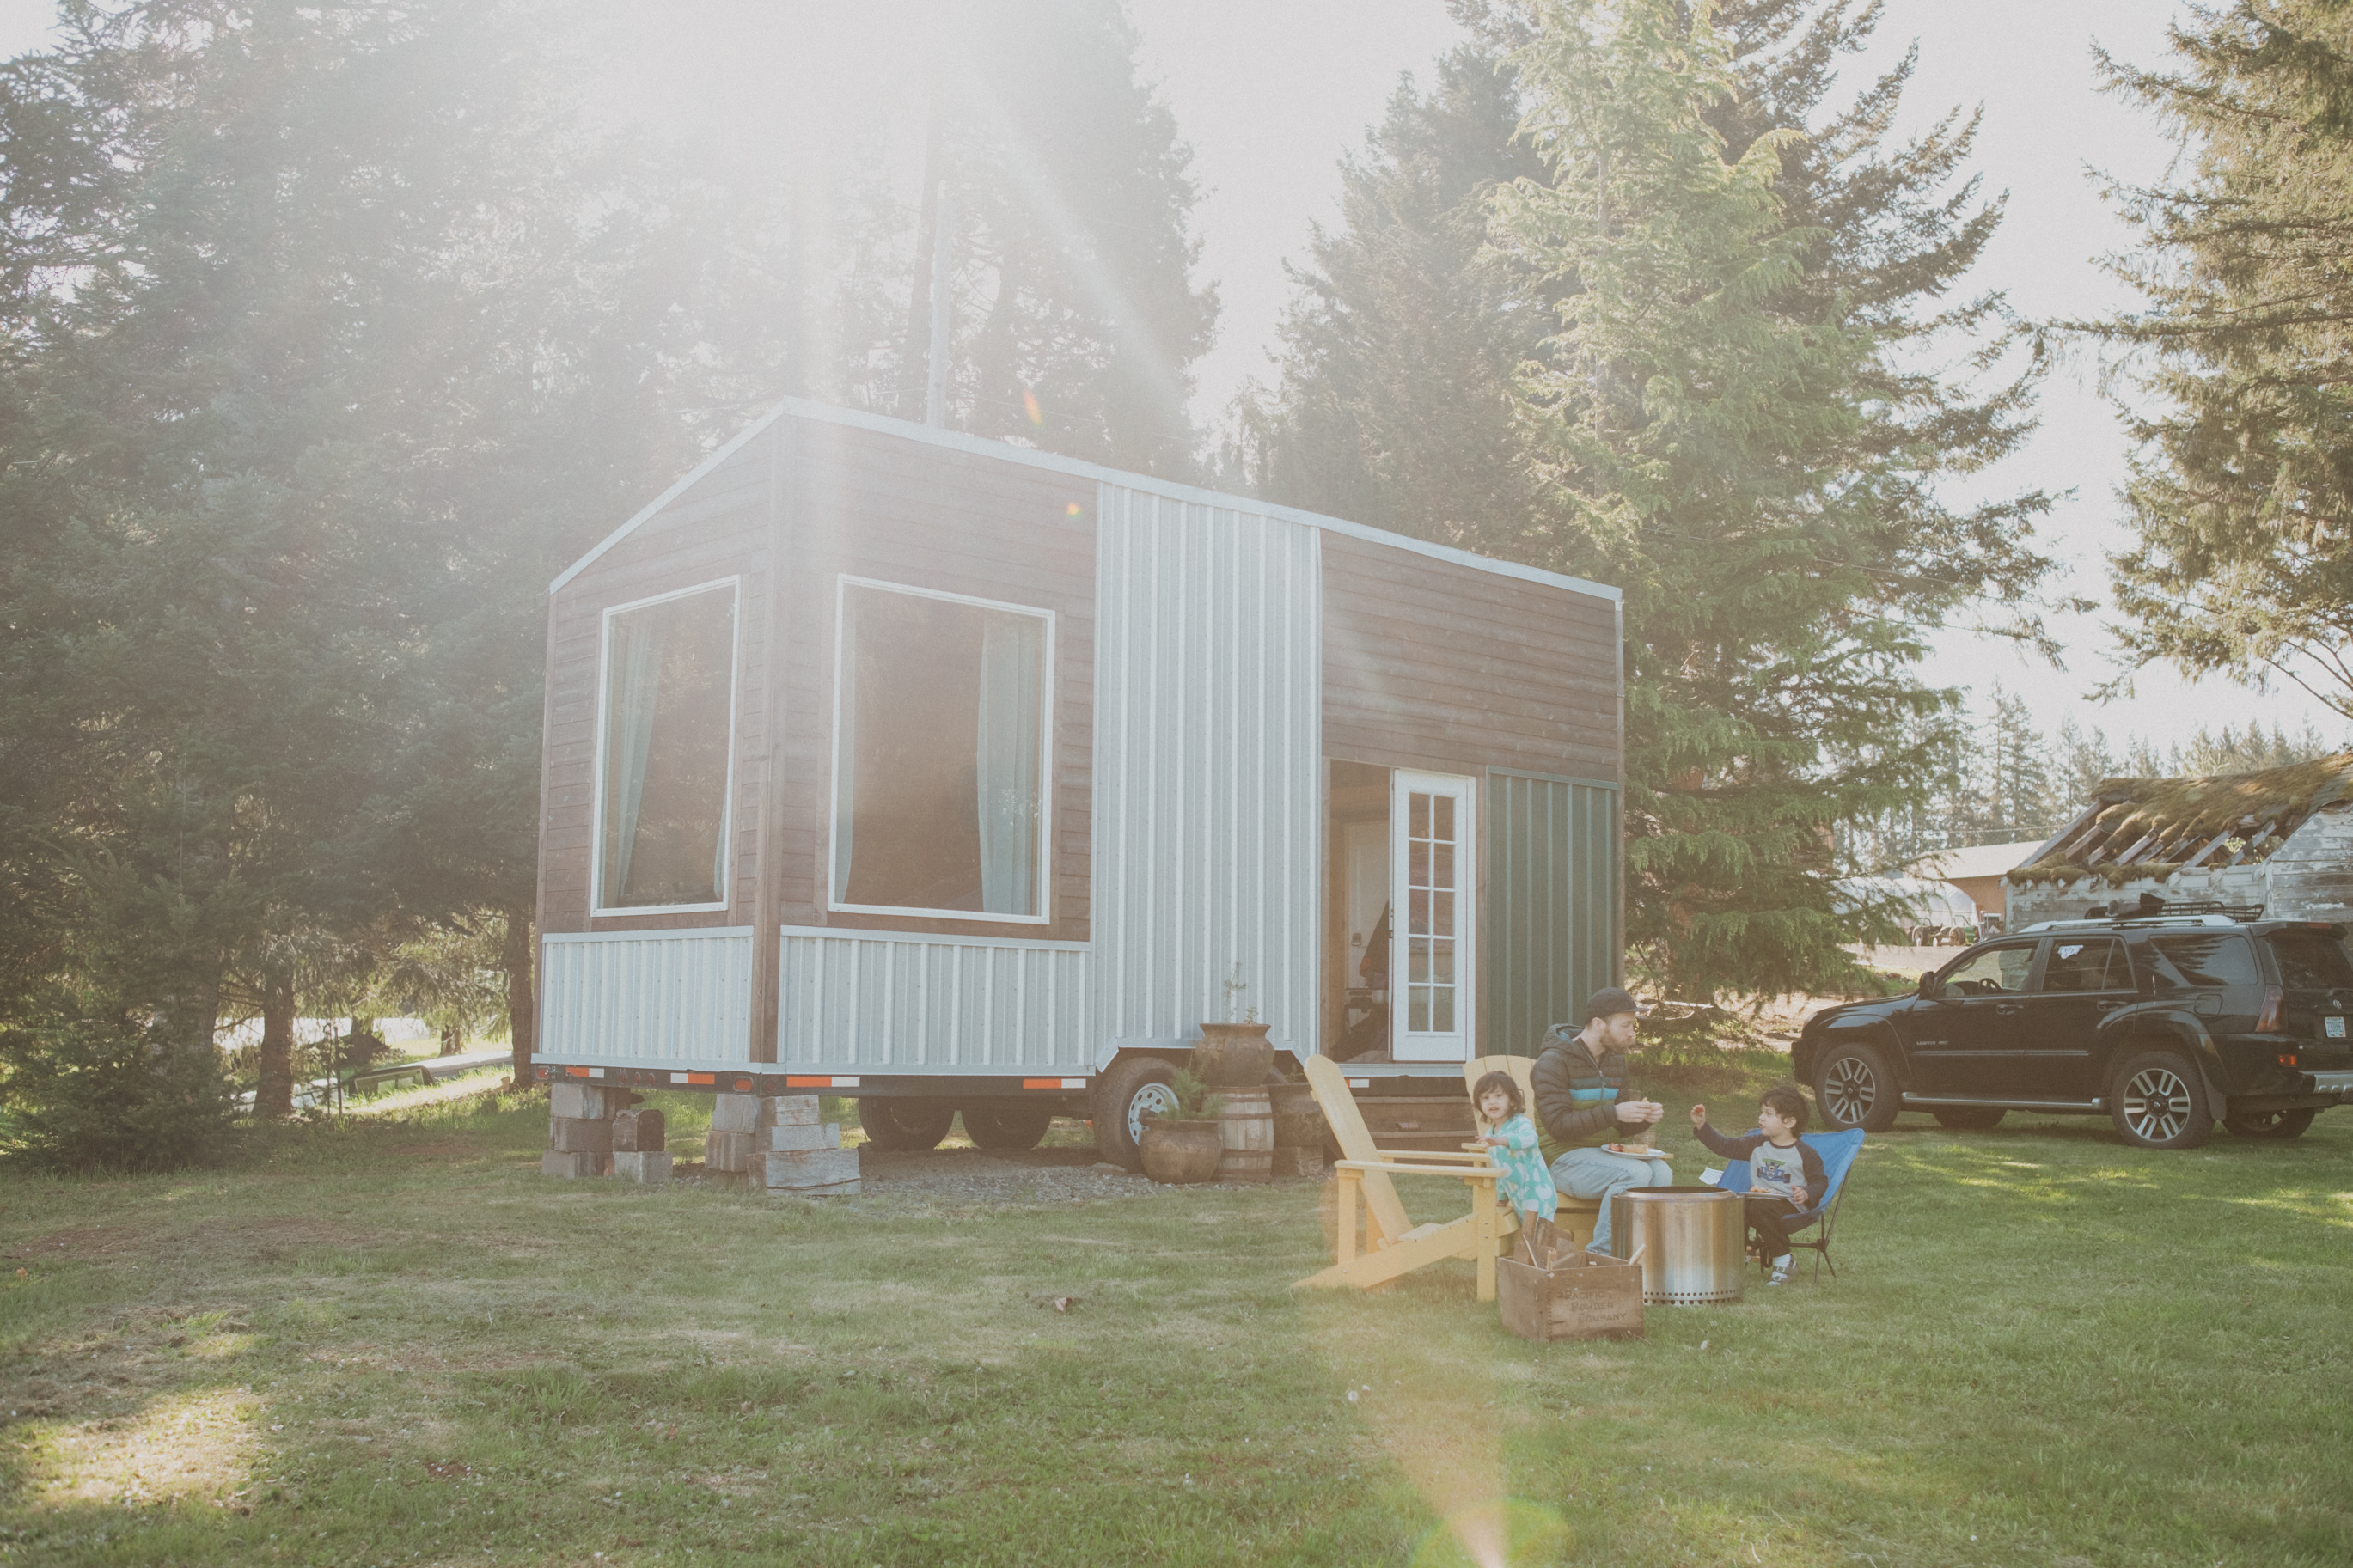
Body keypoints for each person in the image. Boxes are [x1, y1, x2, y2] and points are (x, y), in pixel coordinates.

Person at [1531, 986, 1669, 1255]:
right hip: (1561, 1160)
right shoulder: (1553, 1061)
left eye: (1634, 1026)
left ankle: (1643, 1255)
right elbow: (1557, 1126)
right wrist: (1614, 1113)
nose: (1632, 1033)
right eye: (1626, 1025)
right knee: (1636, 1173)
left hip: (1604, 1157)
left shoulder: (1616, 1062)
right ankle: (1600, 1256)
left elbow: (1618, 1125)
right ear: (1598, 1024)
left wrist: (1643, 1119)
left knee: (1662, 1171)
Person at [1690, 1083, 1828, 1286]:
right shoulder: (1756, 1144)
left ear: (1789, 1122)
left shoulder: (1805, 1153)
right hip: (1759, 1201)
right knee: (1736, 1204)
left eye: (1768, 1113)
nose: (1761, 1118)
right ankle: (1739, 1256)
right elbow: (1725, 1146)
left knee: (1759, 1207)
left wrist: (1807, 1193)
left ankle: (1784, 1260)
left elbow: (1820, 1181)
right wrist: (1703, 1126)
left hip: (1791, 1203)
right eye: (1761, 1112)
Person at [1470, 1070, 1556, 1265]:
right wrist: (1501, 1198)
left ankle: (1543, 1271)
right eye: (1485, 1098)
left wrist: (1501, 1140)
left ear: (1511, 1100)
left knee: (1539, 1237)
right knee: (1527, 1236)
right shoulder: (1490, 1133)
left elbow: (1530, 1139)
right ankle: (1530, 1269)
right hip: (1518, 1196)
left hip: (1537, 1192)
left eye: (1499, 1096)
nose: (1492, 1102)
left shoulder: (1520, 1124)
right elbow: (1500, 1170)